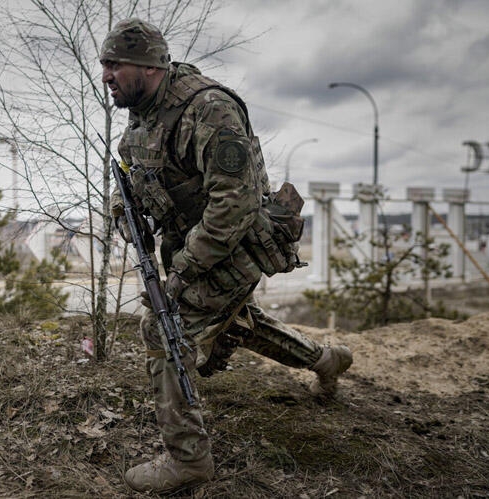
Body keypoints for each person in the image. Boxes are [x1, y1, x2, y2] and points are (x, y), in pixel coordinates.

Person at [100, 18, 353, 494]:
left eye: (115, 64)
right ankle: (325, 360)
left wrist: (181, 272)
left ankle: (188, 459)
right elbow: (133, 170)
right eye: (104, 65)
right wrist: (121, 209)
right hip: (197, 244)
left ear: (149, 65)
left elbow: (232, 207)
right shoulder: (142, 111)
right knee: (239, 322)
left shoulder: (208, 109)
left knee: (162, 328)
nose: (106, 75)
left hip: (234, 245)